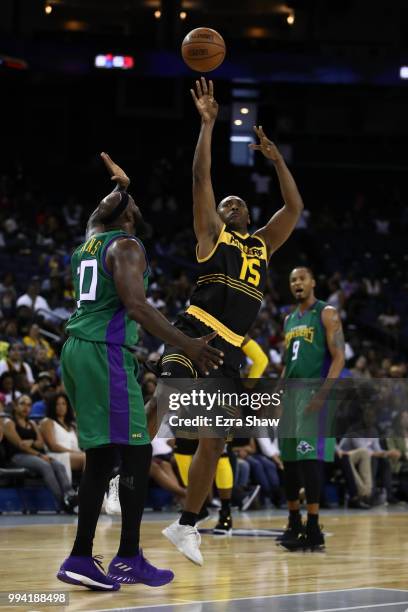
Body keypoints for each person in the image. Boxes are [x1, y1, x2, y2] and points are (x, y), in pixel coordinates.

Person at [56, 153, 223, 591]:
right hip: (100, 354)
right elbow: (136, 305)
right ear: (127, 216)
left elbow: (98, 211)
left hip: (80, 350)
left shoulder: (91, 238)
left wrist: (122, 185)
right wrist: (188, 345)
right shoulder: (127, 246)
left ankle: (82, 557)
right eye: (130, 202)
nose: (133, 204)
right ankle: (125, 557)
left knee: (104, 457)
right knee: (136, 452)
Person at [160, 77, 303, 565]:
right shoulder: (211, 237)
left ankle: (185, 526)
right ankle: (119, 474)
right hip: (194, 331)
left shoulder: (262, 243)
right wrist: (207, 125)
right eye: (225, 205)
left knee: (215, 440)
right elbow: (202, 180)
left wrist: (277, 159)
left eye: (237, 203)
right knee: (163, 402)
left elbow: (295, 208)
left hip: (229, 351)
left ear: (248, 214)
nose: (230, 205)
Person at [279, 267, 345, 551]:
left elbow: (339, 357)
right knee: (290, 462)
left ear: (313, 282)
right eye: (293, 279)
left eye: (302, 278)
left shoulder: (326, 313)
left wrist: (323, 394)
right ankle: (294, 522)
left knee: (309, 460)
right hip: (291, 395)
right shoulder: (288, 319)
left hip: (314, 392)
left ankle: (314, 525)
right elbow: (286, 363)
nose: (297, 283)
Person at [3, 395, 77, 512]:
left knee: (58, 465)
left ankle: (71, 495)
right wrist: (39, 454)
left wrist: (31, 442)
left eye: (29, 405)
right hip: (16, 457)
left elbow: (41, 444)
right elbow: (20, 445)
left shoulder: (32, 423)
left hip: (33, 455)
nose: (26, 407)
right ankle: (63, 502)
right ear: (16, 406)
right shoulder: (9, 423)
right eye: (22, 404)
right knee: (45, 466)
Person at [40, 393, 85, 483]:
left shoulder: (72, 425)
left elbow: (80, 444)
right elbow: (53, 446)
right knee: (87, 458)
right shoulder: (47, 422)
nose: (61, 407)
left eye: (64, 404)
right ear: (53, 406)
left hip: (75, 454)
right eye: (57, 404)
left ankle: (99, 491)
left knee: (95, 457)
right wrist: (74, 452)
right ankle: (87, 489)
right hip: (57, 455)